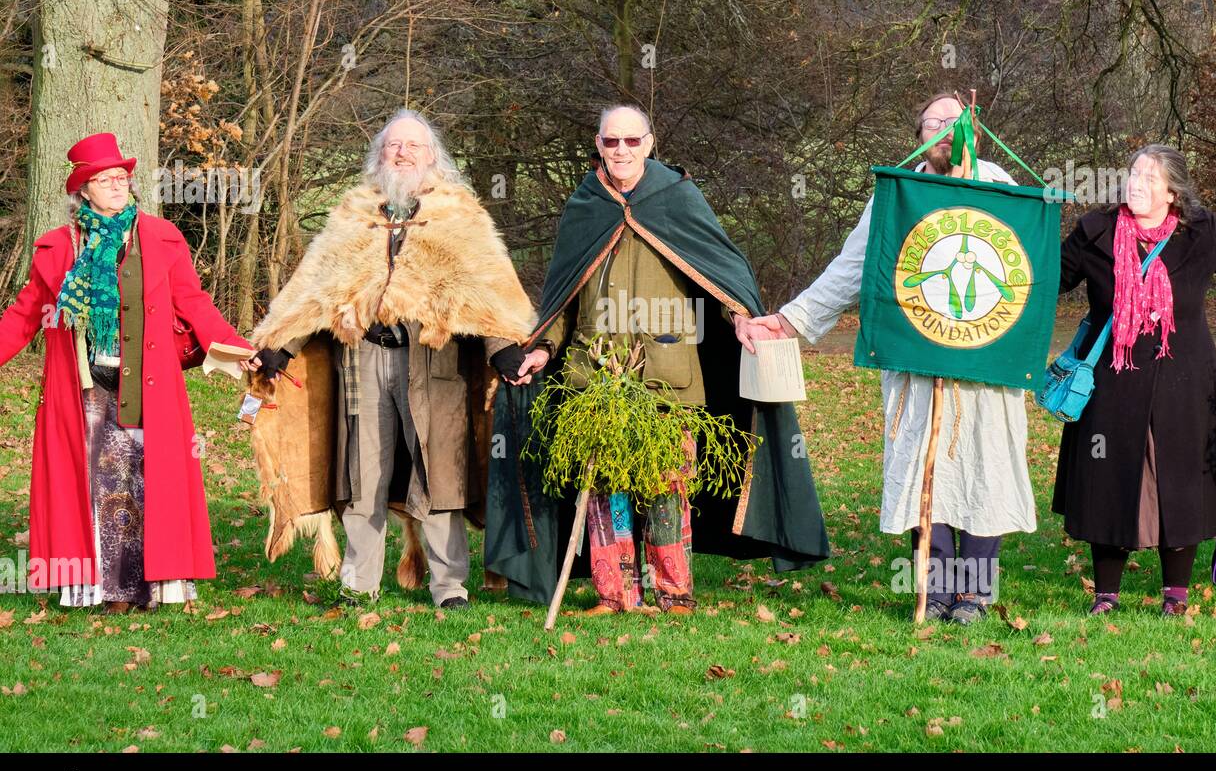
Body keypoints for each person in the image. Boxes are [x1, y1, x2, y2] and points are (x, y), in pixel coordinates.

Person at [487, 104, 827, 614]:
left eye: (631, 141)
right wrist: (543, 348)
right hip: (594, 375)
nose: (621, 150)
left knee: (667, 484)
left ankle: (673, 590)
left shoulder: (677, 198)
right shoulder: (585, 206)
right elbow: (564, 295)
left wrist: (739, 317)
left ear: (650, 143)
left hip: (669, 377)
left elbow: (717, 268)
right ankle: (615, 592)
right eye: (611, 142)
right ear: (598, 145)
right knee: (606, 488)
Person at [748, 91, 1033, 623]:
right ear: (919, 135)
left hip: (985, 362)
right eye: (933, 122)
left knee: (983, 467)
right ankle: (939, 588)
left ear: (975, 126)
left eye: (956, 120)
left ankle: (973, 593)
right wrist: (789, 320)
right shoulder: (898, 195)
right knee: (926, 471)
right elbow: (853, 266)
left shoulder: (1001, 188)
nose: (945, 129)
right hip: (916, 356)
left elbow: (1024, 268)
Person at [251, 109, 535, 609]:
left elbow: (485, 292)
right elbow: (318, 288)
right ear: (378, 156)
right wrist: (283, 343)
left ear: (434, 159)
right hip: (363, 360)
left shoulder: (460, 217)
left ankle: (449, 587)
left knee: (439, 473)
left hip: (435, 365)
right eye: (392, 146)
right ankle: (359, 583)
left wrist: (504, 347)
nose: (401, 154)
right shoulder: (352, 215)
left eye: (413, 147)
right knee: (362, 475)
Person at [0, 132, 260, 610]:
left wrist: (241, 348)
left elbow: (195, 303)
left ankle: (151, 585)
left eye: (121, 178)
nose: (118, 186)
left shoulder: (160, 238)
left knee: (146, 480)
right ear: (84, 191)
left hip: (148, 383)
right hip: (83, 386)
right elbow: (23, 315)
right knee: (98, 484)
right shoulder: (58, 248)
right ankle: (107, 589)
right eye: (105, 180)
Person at [1054, 144, 1216, 616]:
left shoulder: (1201, 233)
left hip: (1184, 382)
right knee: (1108, 479)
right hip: (1112, 381)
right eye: (1133, 174)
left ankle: (1175, 595)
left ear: (1172, 191)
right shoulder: (1096, 231)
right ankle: (1106, 593)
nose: (1136, 184)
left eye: (1149, 177)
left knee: (1182, 481)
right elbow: (1048, 280)